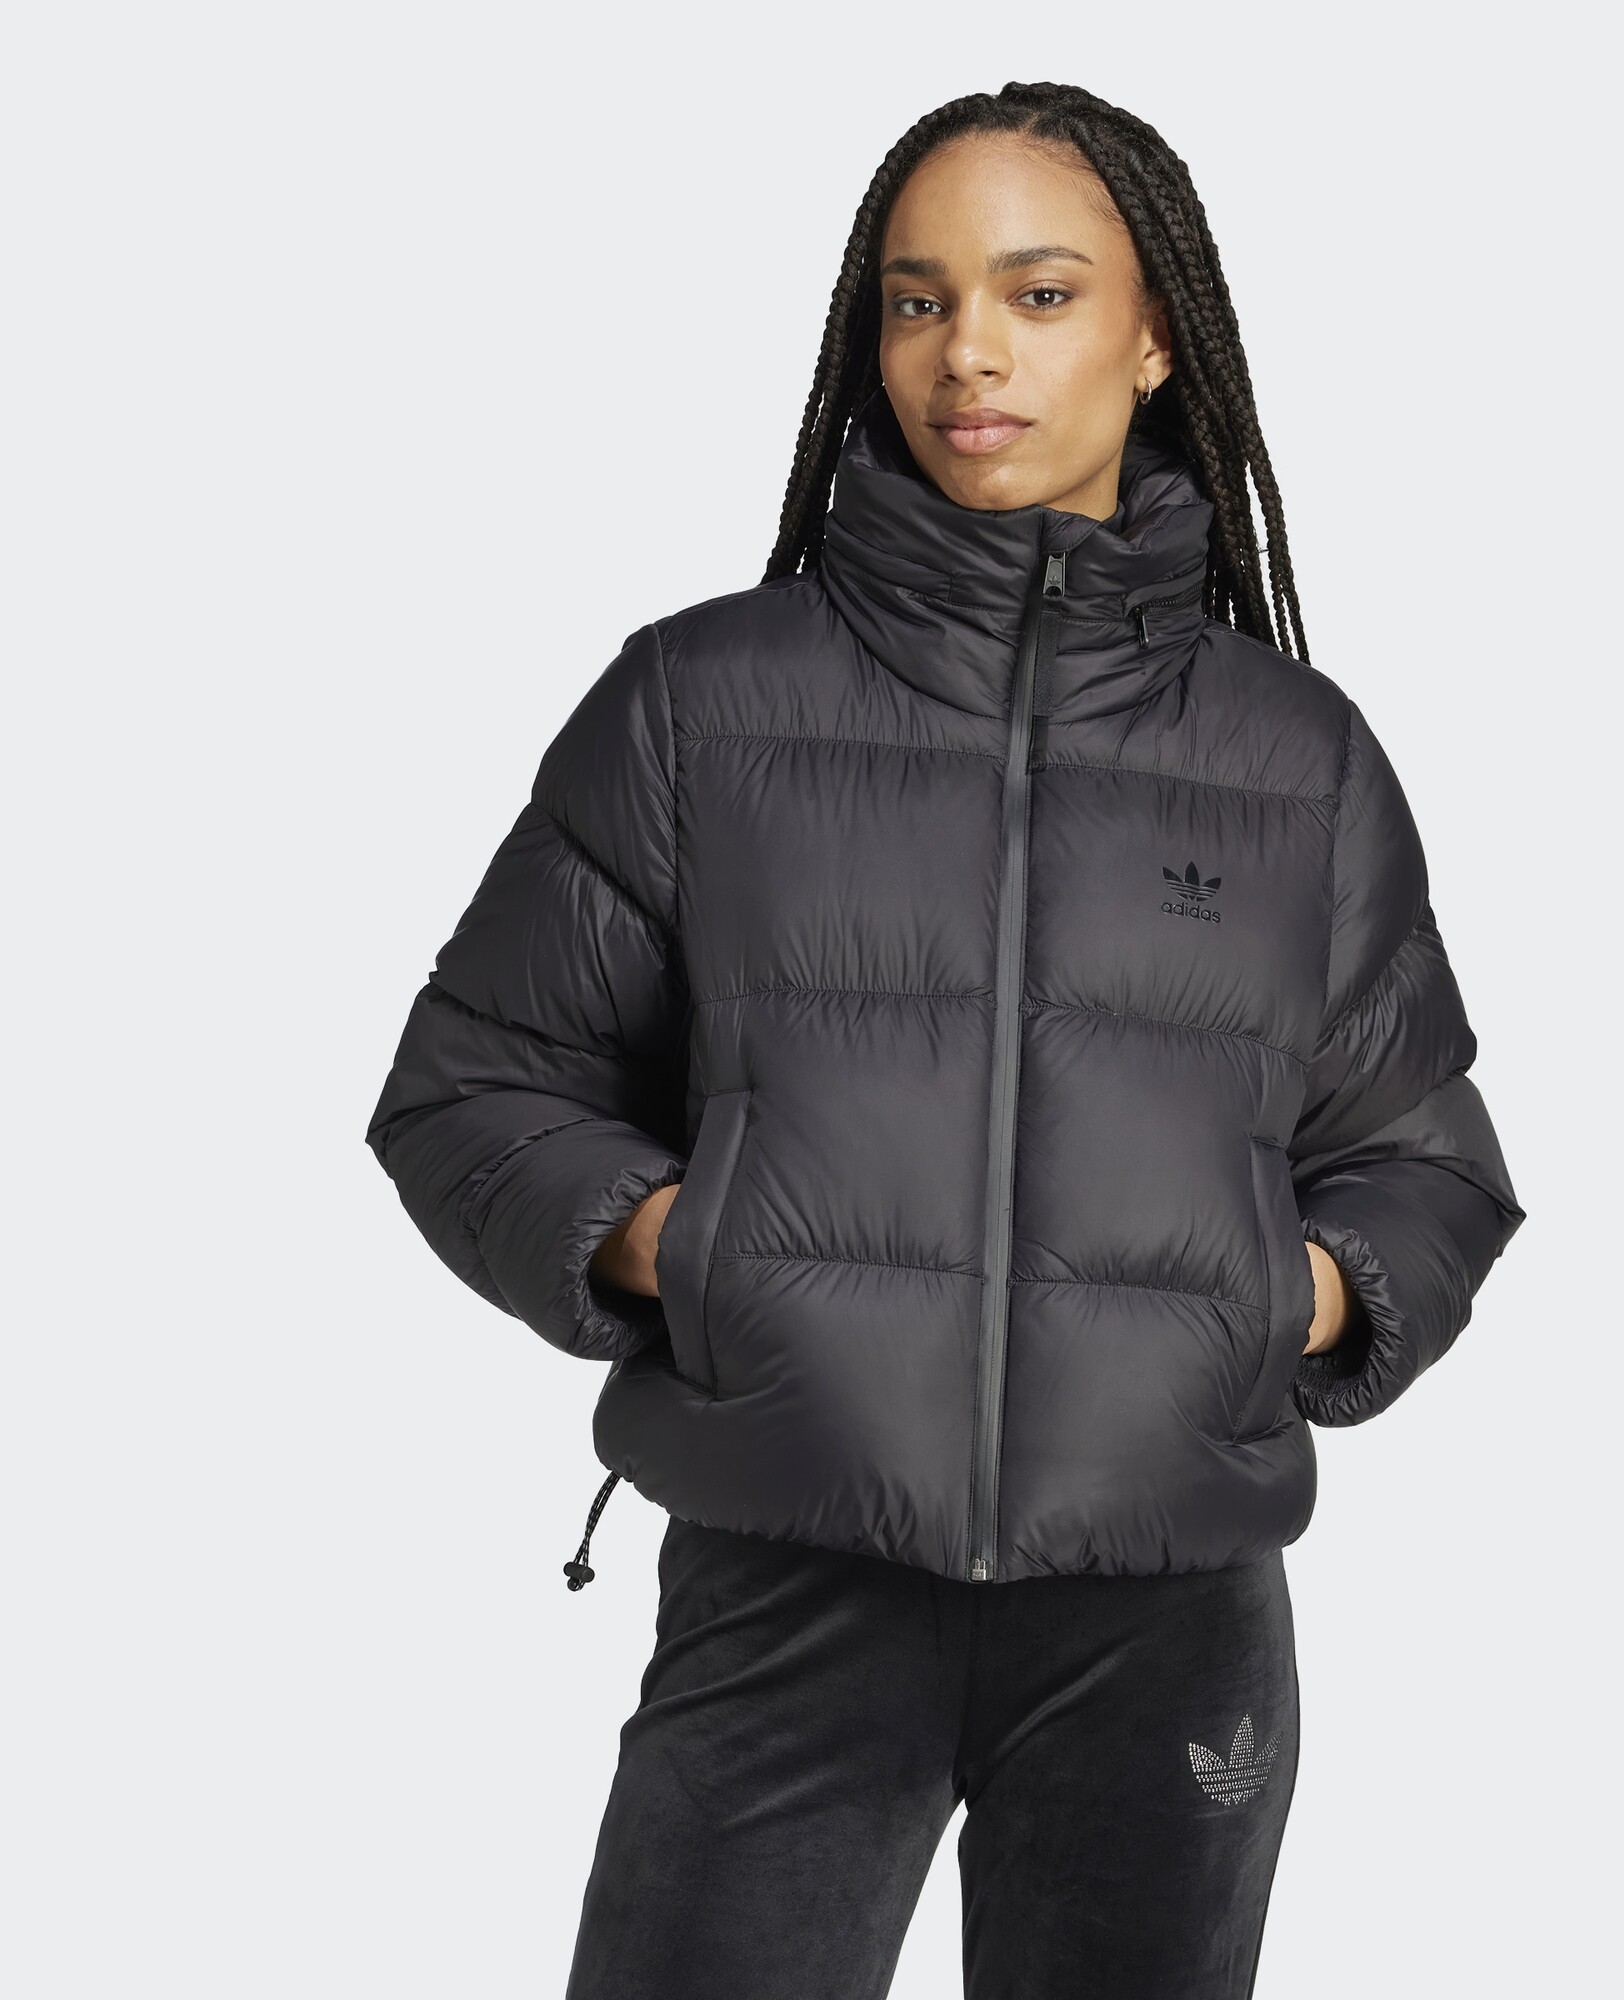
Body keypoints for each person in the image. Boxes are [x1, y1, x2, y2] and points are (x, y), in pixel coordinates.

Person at [366, 79, 1523, 2000]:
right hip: (789, 1585)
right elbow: (474, 1088)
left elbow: (1424, 1165)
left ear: (1155, 338)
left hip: (1167, 1620)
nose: (966, 351)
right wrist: (694, 1253)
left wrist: (1276, 1296)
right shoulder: (700, 705)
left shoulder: (1292, 759)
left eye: (1038, 294)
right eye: (918, 301)